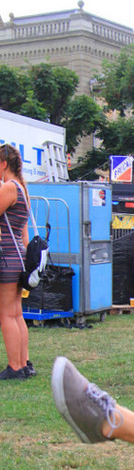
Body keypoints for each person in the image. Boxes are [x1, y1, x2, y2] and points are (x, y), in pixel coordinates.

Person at [0, 143, 33, 379]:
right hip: (18, 256)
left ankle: (14, 367)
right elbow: (24, 234)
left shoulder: (9, 187)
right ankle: (22, 363)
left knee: (6, 314)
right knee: (16, 313)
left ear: (3, 164)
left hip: (6, 257)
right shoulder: (21, 188)